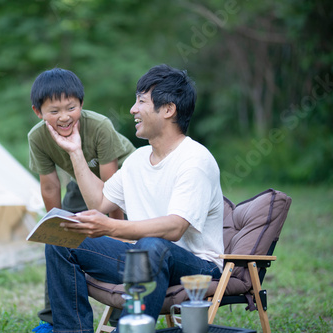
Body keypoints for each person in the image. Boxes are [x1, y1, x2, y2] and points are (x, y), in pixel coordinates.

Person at [43, 64, 224, 332]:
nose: (133, 109)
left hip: (197, 266)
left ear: (168, 109)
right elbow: (100, 203)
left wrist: (112, 227)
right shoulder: (138, 159)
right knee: (61, 241)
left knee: (152, 245)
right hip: (143, 257)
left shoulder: (195, 160)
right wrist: (75, 151)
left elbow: (174, 228)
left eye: (141, 101)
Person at [28, 68, 136, 332]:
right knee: (58, 242)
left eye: (71, 108)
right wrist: (56, 225)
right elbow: (50, 185)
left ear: (81, 104)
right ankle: (53, 320)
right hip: (81, 180)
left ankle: (122, 318)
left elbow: (112, 189)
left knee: (123, 243)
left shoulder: (99, 125)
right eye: (54, 111)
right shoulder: (37, 137)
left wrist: (116, 230)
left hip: (124, 177)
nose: (64, 117)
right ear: (38, 112)